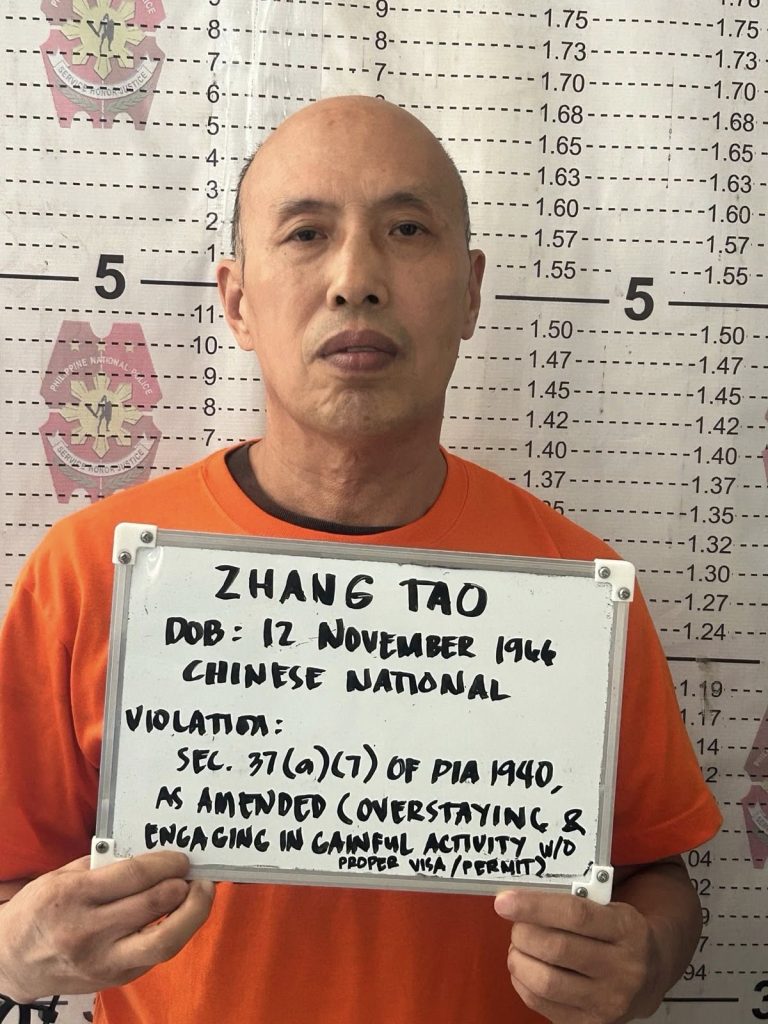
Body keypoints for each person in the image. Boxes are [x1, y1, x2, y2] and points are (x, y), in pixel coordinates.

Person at [0, 95, 720, 1024]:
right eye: (306, 233)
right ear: (237, 300)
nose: (355, 280)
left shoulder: (579, 589)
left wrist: (647, 957)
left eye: (406, 229)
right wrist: (13, 954)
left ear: (470, 293)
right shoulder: (89, 571)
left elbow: (658, 871)